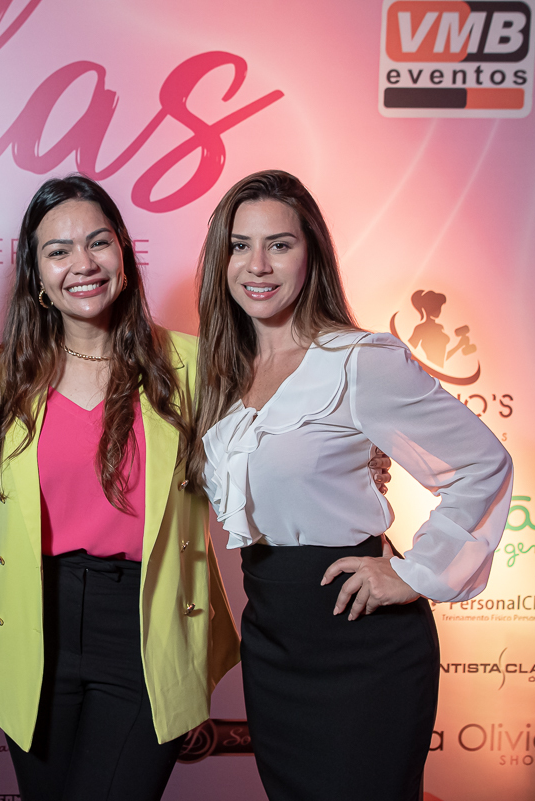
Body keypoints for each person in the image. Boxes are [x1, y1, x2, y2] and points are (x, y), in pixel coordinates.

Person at [186, 170, 514, 801]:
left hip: (361, 640)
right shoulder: (218, 372)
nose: (258, 265)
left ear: (311, 255)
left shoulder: (361, 360)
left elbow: (483, 464)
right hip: (272, 636)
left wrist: (415, 574)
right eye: (239, 245)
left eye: (280, 244)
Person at [0, 175, 241, 801]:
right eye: (58, 251)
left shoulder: (193, 366)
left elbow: (277, 451)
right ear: (36, 276)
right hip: (32, 621)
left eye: (98, 242)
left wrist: (362, 464)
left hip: (145, 624)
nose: (83, 263)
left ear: (123, 253)